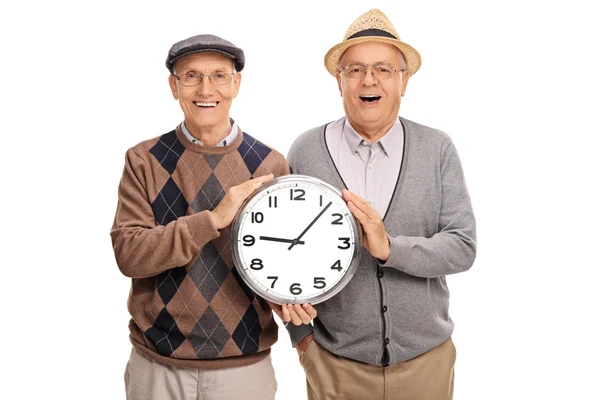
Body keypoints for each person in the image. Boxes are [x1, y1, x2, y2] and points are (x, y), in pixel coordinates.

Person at [110, 34, 315, 400]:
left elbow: (282, 264)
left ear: (236, 84)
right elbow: (129, 254)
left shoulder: (269, 163)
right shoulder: (143, 159)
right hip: (158, 366)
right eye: (191, 76)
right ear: (174, 87)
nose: (206, 88)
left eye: (219, 75)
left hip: (244, 369)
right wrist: (213, 219)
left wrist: (290, 305)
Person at [286, 9, 477, 400]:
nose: (368, 80)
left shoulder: (436, 148)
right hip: (334, 362)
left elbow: (462, 247)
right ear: (339, 80)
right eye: (355, 69)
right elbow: (284, 254)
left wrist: (389, 248)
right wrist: (302, 339)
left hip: (426, 362)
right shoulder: (306, 150)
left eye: (383, 70)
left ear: (403, 81)